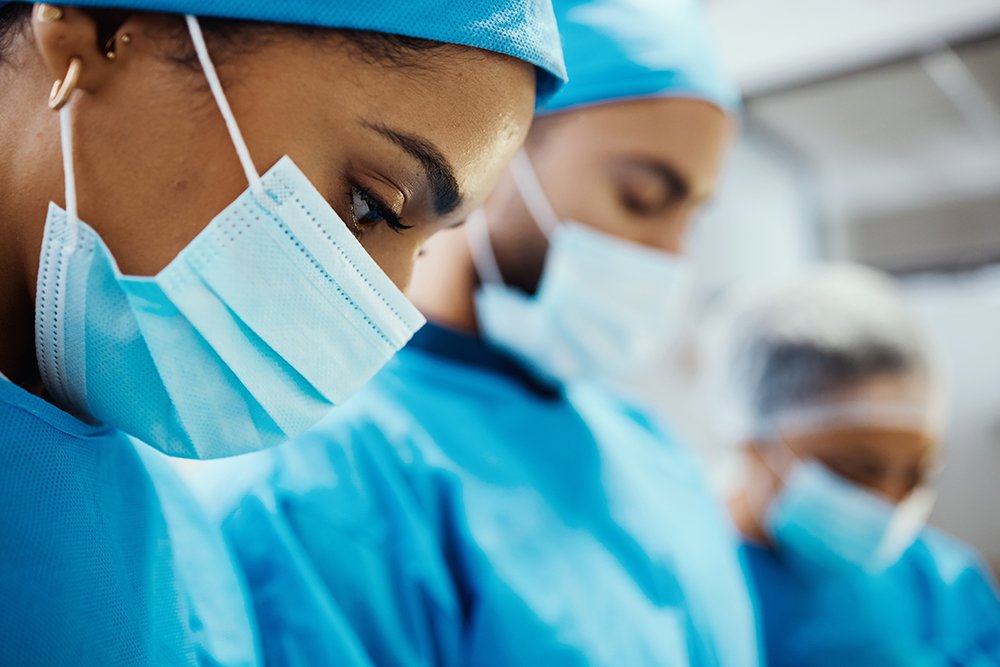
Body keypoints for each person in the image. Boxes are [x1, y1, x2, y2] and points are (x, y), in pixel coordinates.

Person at [0, 1, 565, 663]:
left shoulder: (171, 552)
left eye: (427, 246)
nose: (388, 300)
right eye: (370, 206)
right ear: (97, 30)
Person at [214, 0, 761, 664]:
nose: (672, 256)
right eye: (641, 197)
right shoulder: (340, 470)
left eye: (692, 216)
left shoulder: (654, 452)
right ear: (499, 155)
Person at [717, 263, 1000, 666]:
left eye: (916, 473)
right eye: (857, 469)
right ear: (755, 443)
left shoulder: (945, 586)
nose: (888, 500)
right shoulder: (685, 585)